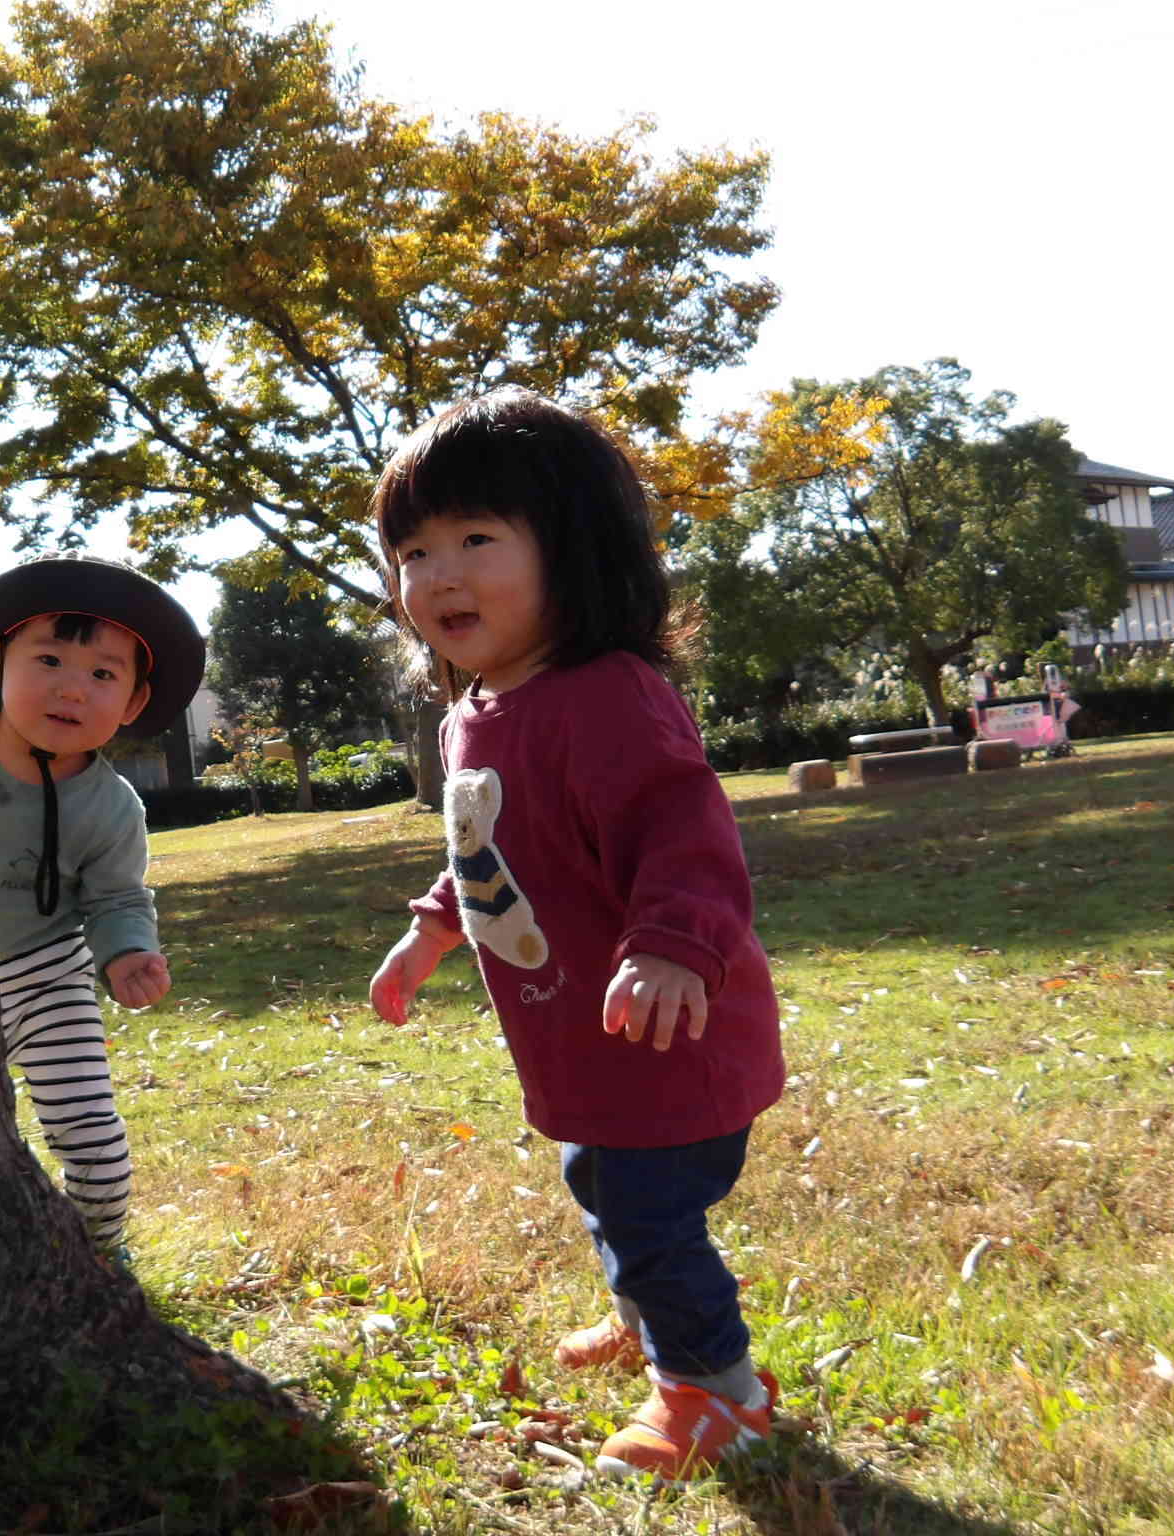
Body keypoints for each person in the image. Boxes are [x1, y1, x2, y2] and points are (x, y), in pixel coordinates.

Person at [364, 387, 785, 1483]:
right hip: (580, 1046)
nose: (437, 576)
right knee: (598, 1188)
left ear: (574, 545)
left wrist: (671, 946)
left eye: (475, 539)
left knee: (648, 1218)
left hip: (665, 1032)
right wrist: (430, 933)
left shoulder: (609, 697)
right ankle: (649, 1319)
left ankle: (716, 1392)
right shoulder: (470, 718)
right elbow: (485, 850)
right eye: (412, 553)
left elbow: (683, 832)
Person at [0, 554, 205, 1254]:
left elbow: (117, 896)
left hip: (47, 976)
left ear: (132, 704)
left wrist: (128, 954)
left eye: (103, 675)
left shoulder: (112, 807)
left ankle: (98, 1251)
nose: (72, 689)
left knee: (94, 1142)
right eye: (50, 659)